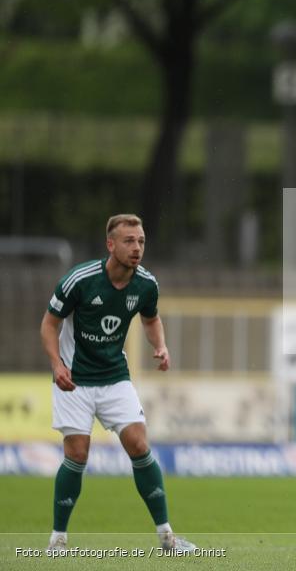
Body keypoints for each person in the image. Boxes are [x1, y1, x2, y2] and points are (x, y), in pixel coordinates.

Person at [40, 214, 197, 553]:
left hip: (114, 377)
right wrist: (57, 365)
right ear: (111, 245)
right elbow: (49, 324)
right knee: (77, 455)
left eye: (140, 241)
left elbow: (151, 318)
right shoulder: (80, 280)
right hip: (75, 380)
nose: (136, 247)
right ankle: (58, 540)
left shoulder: (146, 284)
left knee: (140, 445)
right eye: (129, 241)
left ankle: (167, 537)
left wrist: (160, 345)